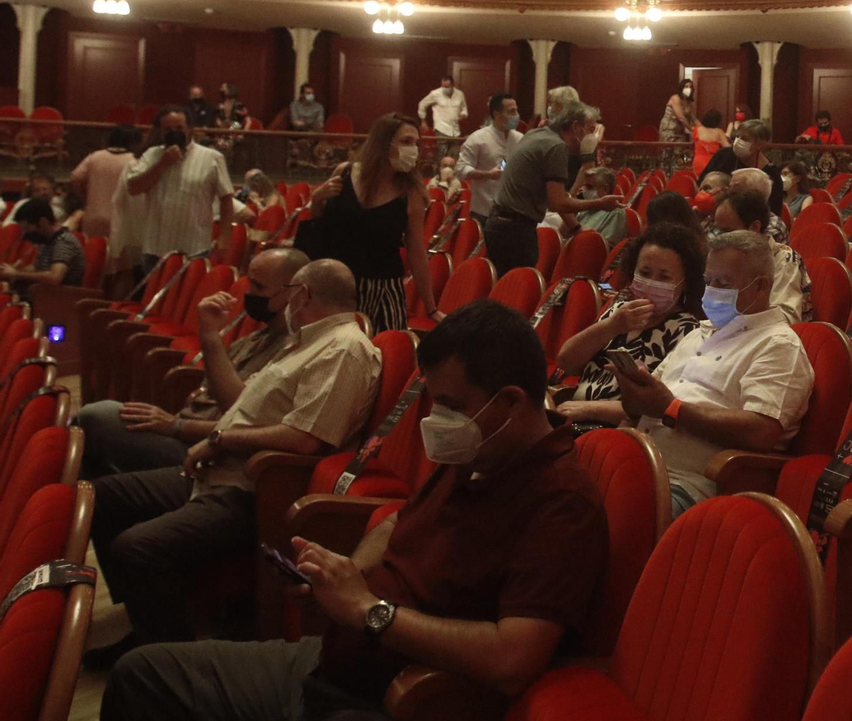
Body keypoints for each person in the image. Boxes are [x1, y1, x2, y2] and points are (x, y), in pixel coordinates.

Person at [99, 298, 607, 719]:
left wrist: (370, 611)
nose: (437, 419)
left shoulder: (561, 501)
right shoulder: (481, 451)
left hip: (393, 697)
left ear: (512, 402)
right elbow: (398, 519)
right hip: (335, 660)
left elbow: (513, 660)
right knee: (140, 675)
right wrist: (348, 576)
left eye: (451, 405)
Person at [88, 259, 379, 658]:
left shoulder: (345, 348)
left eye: (288, 292)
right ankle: (144, 620)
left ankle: (169, 664)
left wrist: (220, 439)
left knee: (135, 548)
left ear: (303, 294)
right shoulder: (307, 341)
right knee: (100, 497)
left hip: (254, 489)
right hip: (220, 472)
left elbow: (305, 439)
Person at [617, 230, 813, 518]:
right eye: (708, 281)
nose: (710, 291)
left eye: (723, 283)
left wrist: (672, 408)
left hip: (691, 486)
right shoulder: (699, 333)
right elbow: (650, 403)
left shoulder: (778, 344)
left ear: (761, 286)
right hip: (636, 463)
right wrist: (634, 396)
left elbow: (761, 431)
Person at [75, 248, 306, 479]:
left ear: (292, 293)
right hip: (185, 429)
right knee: (91, 432)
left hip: (208, 453)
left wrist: (175, 425)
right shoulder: (256, 338)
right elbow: (210, 393)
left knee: (96, 416)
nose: (249, 293)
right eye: (249, 284)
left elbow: (244, 420)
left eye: (259, 287)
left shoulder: (294, 354)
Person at [554, 223, 705, 427]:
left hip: (618, 430)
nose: (651, 282)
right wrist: (612, 326)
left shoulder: (688, 331)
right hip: (575, 417)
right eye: (645, 272)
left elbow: (659, 408)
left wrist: (589, 409)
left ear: (684, 282)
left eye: (664, 277)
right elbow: (566, 361)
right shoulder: (620, 311)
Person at [297, 114, 439, 332]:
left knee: (382, 347)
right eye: (406, 141)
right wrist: (316, 199)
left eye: (416, 143)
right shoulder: (344, 172)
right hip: (335, 283)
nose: (413, 149)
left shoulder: (411, 193)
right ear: (383, 142)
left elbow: (417, 251)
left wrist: (431, 308)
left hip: (381, 289)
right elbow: (321, 224)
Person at [487, 103, 622, 274]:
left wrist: (576, 227)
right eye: (590, 129)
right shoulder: (556, 147)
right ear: (576, 127)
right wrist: (599, 203)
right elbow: (557, 203)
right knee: (518, 287)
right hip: (515, 230)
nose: (592, 136)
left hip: (498, 224)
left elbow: (556, 195)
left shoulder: (537, 134)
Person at [126, 106, 233, 269]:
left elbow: (226, 199)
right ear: (160, 131)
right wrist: (163, 164)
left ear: (189, 128)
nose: (174, 132)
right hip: (155, 248)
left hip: (194, 247)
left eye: (179, 128)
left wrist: (224, 238)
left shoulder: (212, 157)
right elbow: (133, 188)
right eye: (168, 129)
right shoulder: (151, 155)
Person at [713, 189, 810, 323]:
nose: (719, 237)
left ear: (754, 227)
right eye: (717, 230)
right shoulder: (721, 258)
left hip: (768, 333)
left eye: (727, 231)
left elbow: (786, 317)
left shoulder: (784, 259)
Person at [0, 197, 86, 299]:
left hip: (58, 300)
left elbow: (54, 277)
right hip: (43, 294)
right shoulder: (48, 241)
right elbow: (38, 267)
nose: (25, 233)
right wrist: (12, 271)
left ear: (43, 222)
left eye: (27, 228)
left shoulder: (63, 241)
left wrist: (17, 274)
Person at [457, 93, 523, 225]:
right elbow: (461, 170)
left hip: (513, 211)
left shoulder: (520, 138)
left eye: (516, 110)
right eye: (511, 111)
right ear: (497, 114)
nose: (516, 115)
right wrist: (488, 174)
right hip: (484, 211)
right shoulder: (478, 138)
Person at [69, 123, 141, 240]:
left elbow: (75, 178)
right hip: (122, 219)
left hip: (93, 216)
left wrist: (85, 198)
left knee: (92, 249)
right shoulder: (134, 160)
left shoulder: (95, 156)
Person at [700, 118, 785, 215]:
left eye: (744, 138)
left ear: (760, 144)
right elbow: (702, 182)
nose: (737, 141)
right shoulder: (723, 155)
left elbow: (774, 209)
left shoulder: (771, 173)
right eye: (737, 136)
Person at [562, 166, 629, 248]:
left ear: (605, 189)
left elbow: (604, 249)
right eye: (583, 186)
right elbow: (563, 236)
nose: (582, 189)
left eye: (589, 186)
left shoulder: (615, 213)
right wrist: (573, 209)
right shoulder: (584, 210)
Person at [417, 75, 468, 140]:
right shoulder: (435, 94)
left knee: (456, 146)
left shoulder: (460, 94)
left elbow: (464, 108)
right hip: (441, 128)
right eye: (443, 86)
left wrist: (463, 114)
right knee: (441, 146)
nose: (445, 89)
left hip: (455, 130)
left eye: (447, 87)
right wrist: (423, 120)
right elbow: (422, 104)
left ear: (453, 85)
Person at [692, 108, 729, 177]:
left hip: (698, 161)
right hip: (713, 161)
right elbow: (727, 147)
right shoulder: (719, 132)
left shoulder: (697, 129)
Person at [660, 77, 697, 143]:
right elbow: (681, 118)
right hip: (668, 130)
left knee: (680, 148)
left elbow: (694, 119)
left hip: (680, 131)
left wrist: (702, 129)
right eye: (686, 86)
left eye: (690, 87)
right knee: (667, 149)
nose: (688, 89)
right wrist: (692, 129)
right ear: (681, 88)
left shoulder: (689, 103)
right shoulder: (675, 98)